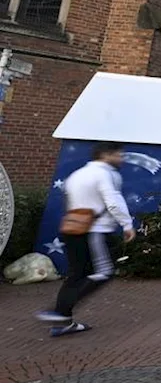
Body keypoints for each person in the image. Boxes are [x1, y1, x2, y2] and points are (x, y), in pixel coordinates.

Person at [35, 142, 134, 336]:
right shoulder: (105, 174)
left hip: (72, 228)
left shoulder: (77, 174)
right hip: (95, 230)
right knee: (104, 272)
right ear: (106, 155)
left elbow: (70, 201)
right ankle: (59, 313)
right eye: (118, 154)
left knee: (76, 274)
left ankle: (64, 323)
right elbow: (113, 201)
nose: (121, 159)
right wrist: (127, 225)